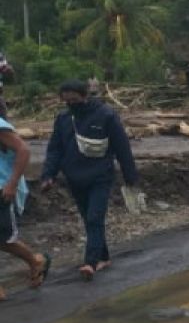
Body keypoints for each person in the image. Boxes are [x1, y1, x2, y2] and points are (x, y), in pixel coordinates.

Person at [40, 79, 138, 281]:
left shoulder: (106, 115)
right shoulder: (64, 119)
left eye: (74, 100)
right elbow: (55, 149)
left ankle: (90, 262)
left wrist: (130, 176)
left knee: (94, 217)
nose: (70, 104)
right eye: (66, 101)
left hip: (100, 176)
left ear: (85, 96)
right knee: (88, 218)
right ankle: (104, 257)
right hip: (74, 178)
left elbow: (122, 147)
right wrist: (48, 175)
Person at [0, 117, 51, 301]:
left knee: (5, 240)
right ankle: (35, 261)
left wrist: (12, 184)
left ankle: (35, 261)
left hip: (2, 188)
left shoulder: (0, 126)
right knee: (3, 241)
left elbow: (23, 150)